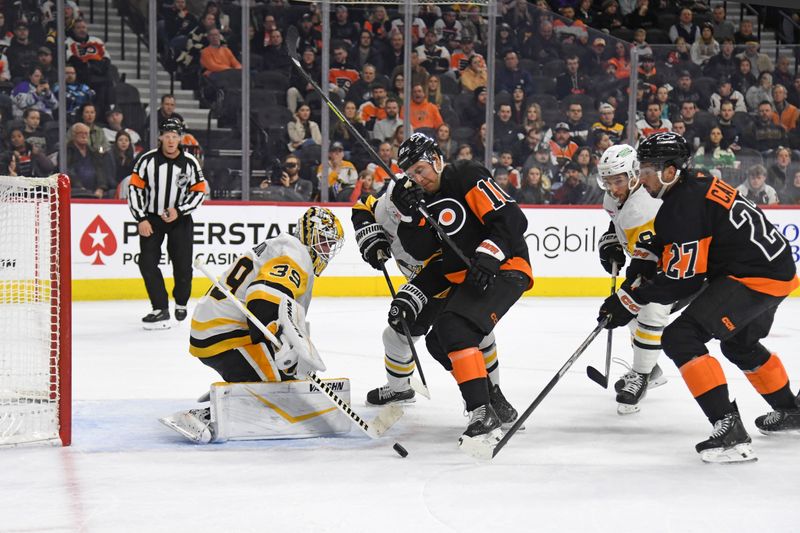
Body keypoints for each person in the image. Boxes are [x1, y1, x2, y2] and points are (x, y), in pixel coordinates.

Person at [598, 132, 800, 463]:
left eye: (647, 170)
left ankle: (729, 429)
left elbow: (683, 280)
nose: (642, 177)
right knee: (740, 344)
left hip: (754, 276)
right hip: (775, 268)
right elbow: (661, 243)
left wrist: (629, 301)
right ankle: (790, 410)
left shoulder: (683, 205)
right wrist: (635, 274)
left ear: (670, 170)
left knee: (681, 337)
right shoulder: (691, 190)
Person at [388, 133, 531, 452]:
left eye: (421, 170)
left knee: (454, 327)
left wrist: (489, 255)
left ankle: (482, 413)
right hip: (468, 277)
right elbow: (420, 248)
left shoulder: (466, 174)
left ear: (437, 160)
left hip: (506, 267)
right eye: (411, 175)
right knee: (438, 342)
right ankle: (492, 400)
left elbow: (512, 219)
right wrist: (409, 215)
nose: (418, 179)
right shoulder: (421, 199)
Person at [160, 207, 345, 443]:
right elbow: (263, 298)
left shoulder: (286, 248)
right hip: (224, 333)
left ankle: (242, 385)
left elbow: (281, 310)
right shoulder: (296, 253)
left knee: (289, 382)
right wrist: (278, 346)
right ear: (309, 235)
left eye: (331, 245)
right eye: (323, 242)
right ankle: (214, 411)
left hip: (220, 328)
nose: (326, 251)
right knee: (281, 394)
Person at [351, 175, 504, 407]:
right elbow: (362, 206)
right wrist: (370, 235)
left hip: (452, 284)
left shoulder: (436, 216)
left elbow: (444, 264)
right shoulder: (386, 207)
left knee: (475, 336)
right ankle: (399, 389)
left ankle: (492, 396)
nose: (398, 218)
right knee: (396, 335)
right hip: (420, 284)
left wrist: (415, 291)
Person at [595, 144, 670, 413]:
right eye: (608, 181)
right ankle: (653, 368)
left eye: (618, 180)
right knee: (629, 310)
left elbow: (648, 263)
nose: (613, 188)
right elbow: (617, 225)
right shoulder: (614, 198)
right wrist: (612, 241)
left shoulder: (646, 205)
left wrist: (627, 296)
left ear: (634, 175)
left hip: (675, 269)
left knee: (647, 309)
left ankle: (642, 374)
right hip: (648, 261)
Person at [128, 118, 207, 329]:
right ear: (160, 137)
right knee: (146, 261)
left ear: (180, 138)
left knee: (182, 264)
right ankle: (160, 308)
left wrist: (179, 210)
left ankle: (181, 302)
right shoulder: (147, 160)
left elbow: (199, 192)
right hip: (152, 219)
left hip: (180, 219)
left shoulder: (190, 162)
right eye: (167, 136)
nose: (171, 141)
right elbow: (134, 189)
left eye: (175, 136)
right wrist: (141, 218)